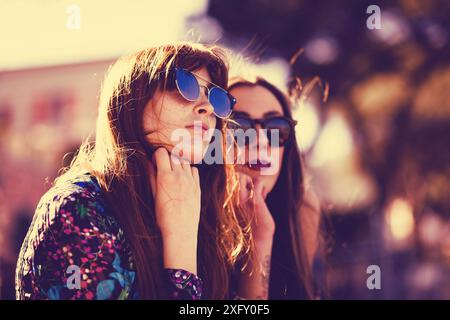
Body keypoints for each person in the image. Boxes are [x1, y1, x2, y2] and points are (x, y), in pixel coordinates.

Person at [15, 43, 271, 300]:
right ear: (134, 100)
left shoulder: (200, 211)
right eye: (186, 85)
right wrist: (180, 243)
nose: (207, 108)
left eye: (216, 97)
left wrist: (260, 244)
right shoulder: (79, 207)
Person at [229, 76, 324, 299]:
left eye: (276, 128)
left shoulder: (302, 210)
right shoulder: (184, 214)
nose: (261, 140)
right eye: (239, 126)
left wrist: (259, 240)